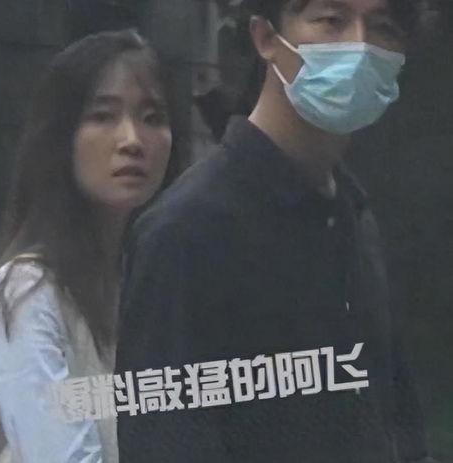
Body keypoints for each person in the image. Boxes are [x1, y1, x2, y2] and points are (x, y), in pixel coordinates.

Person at [115, 1, 437, 462]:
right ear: (266, 37)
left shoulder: (353, 216)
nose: (359, 47)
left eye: (382, 27)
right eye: (331, 21)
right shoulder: (188, 231)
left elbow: (396, 422)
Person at [0, 29, 175, 462]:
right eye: (103, 116)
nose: (132, 140)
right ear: (61, 136)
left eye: (152, 117)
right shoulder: (27, 293)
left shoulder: (158, 283)